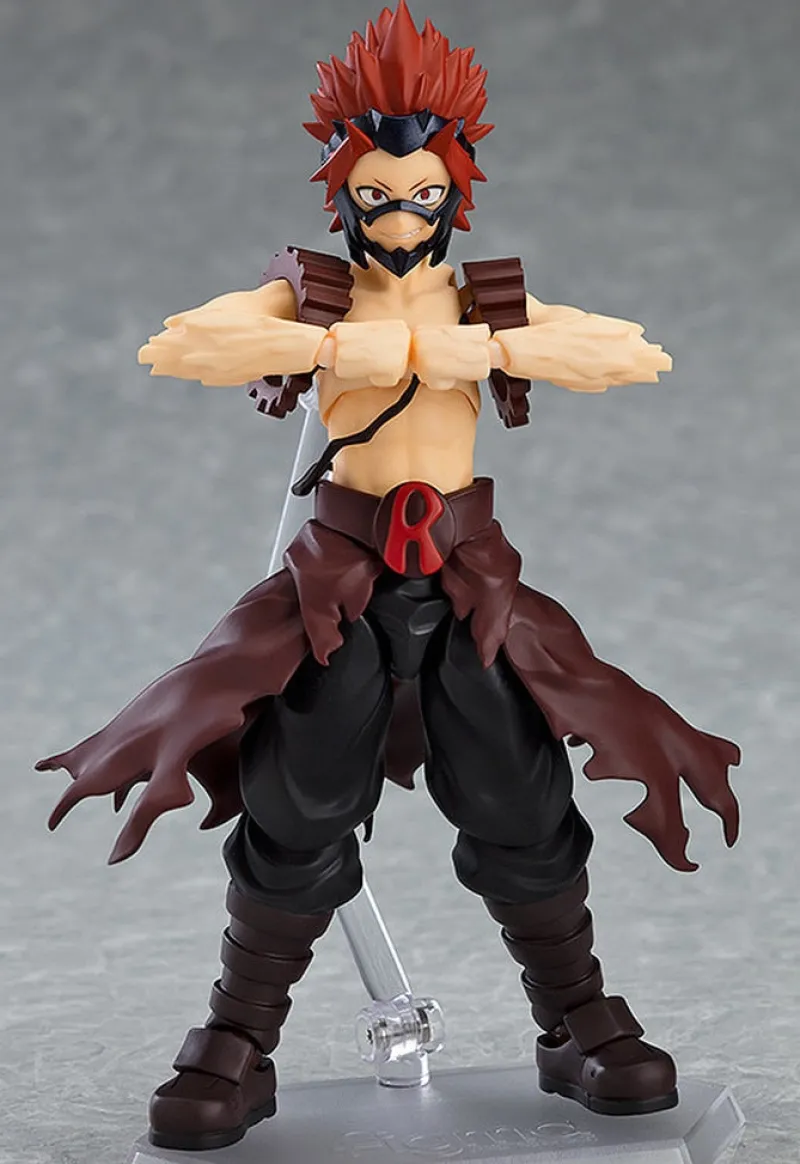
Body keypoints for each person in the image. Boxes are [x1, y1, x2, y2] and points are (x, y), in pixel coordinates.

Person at [37, 2, 740, 1152]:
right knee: (294, 805)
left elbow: (626, 351)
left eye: (420, 193)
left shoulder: (481, 302)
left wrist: (483, 348)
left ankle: (572, 1021)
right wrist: (330, 346)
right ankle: (237, 1040)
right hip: (338, 588)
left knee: (520, 802)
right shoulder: (314, 295)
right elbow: (184, 343)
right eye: (376, 193)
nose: (400, 214)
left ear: (454, 192)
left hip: (467, 588)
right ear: (343, 193)